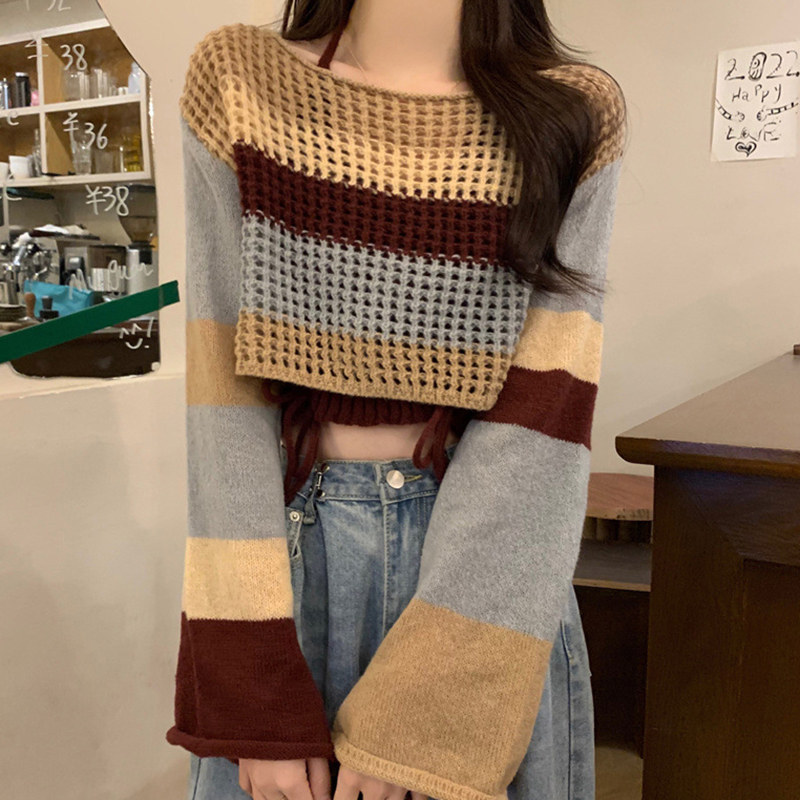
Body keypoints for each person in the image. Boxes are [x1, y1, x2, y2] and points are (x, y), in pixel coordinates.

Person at [166, 1, 628, 800]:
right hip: (289, 567)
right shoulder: (239, 80)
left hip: (487, 579)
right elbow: (222, 398)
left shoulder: (575, 112)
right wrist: (254, 691)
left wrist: (427, 706)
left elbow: (545, 418)